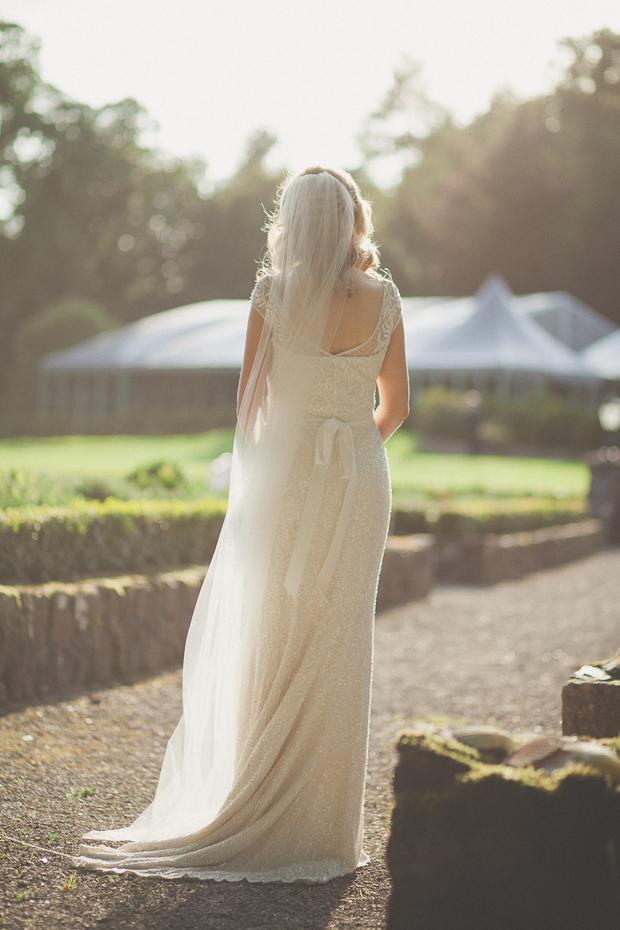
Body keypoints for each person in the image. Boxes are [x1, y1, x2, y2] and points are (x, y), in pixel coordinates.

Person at [75, 167, 409, 883]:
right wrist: (347, 452)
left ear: (292, 219)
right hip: (359, 477)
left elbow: (249, 402)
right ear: (354, 221)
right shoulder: (387, 298)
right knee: (341, 637)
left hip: (288, 478)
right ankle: (323, 833)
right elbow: (397, 405)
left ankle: (261, 802)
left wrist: (286, 462)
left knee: (275, 628)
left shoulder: (269, 292)